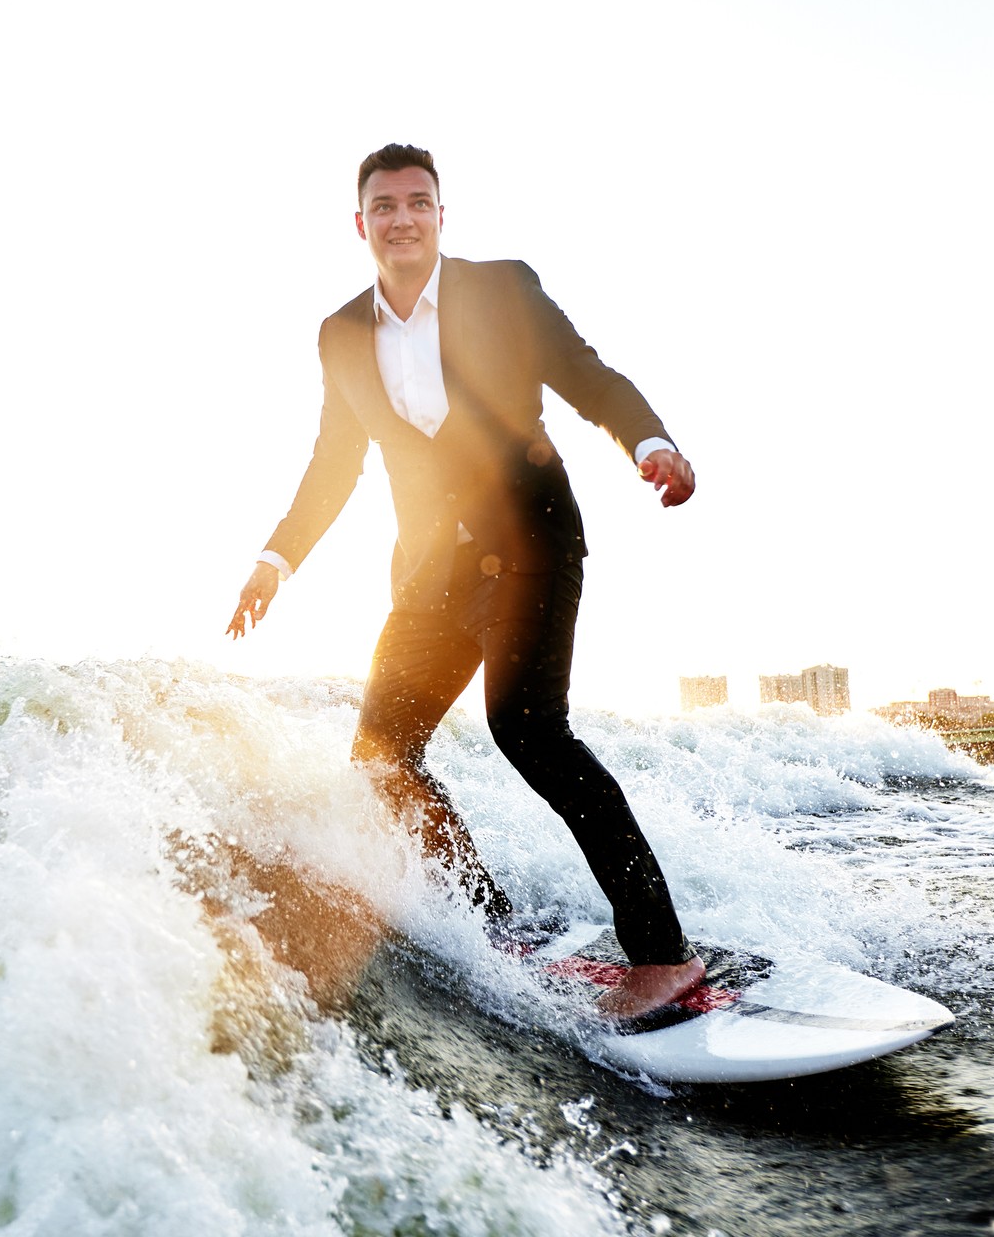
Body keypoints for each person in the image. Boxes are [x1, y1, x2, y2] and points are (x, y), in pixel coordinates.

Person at [227, 143, 703, 1018]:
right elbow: (336, 460)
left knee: (529, 731)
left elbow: (589, 377)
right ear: (360, 222)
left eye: (418, 202)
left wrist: (650, 442)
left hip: (530, 544)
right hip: (428, 572)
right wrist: (275, 558)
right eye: (385, 206)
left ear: (443, 215)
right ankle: (492, 929)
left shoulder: (502, 289)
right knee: (381, 756)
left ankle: (663, 955)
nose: (401, 218)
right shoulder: (341, 333)